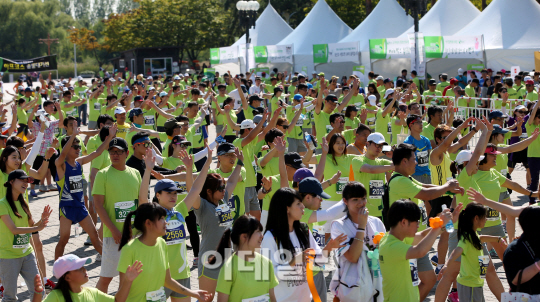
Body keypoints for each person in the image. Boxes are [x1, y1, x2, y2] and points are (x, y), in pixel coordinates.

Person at [388, 143, 463, 302]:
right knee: (408, 285)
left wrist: (448, 189)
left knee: (429, 280)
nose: (416, 162)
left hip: (415, 239)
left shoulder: (406, 178)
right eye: (414, 159)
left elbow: (424, 185)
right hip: (404, 244)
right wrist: (447, 186)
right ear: (404, 161)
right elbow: (425, 193)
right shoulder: (398, 181)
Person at [117, 202, 210, 302]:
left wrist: (194, 293)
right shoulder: (129, 249)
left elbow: (168, 281)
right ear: (148, 223)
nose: (165, 222)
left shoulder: (162, 243)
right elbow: (119, 299)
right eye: (161, 218)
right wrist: (127, 281)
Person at [91, 138, 150, 293]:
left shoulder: (135, 173)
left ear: (127, 153)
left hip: (134, 236)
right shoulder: (102, 175)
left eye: (119, 151)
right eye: (112, 151)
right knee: (105, 278)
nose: (115, 154)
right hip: (114, 236)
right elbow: (98, 205)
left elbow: (141, 203)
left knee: (127, 279)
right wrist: (114, 230)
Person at [53, 125, 117, 260]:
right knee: (64, 239)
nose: (79, 149)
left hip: (80, 207)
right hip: (67, 208)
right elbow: (62, 154)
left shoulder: (79, 163)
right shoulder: (61, 164)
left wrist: (110, 136)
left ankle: (108, 262)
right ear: (67, 148)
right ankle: (57, 269)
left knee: (94, 235)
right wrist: (72, 136)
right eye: (75, 147)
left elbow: (97, 152)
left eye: (79, 146)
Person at [378, 199, 456, 302]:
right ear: (404, 222)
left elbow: (422, 235)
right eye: (416, 222)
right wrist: (438, 225)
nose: (418, 225)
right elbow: (420, 251)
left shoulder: (394, 238)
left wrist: (444, 224)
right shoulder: (391, 246)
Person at [261, 187, 325, 302]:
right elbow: (269, 277)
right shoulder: (270, 237)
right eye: (298, 204)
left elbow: (319, 261)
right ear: (287, 209)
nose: (303, 207)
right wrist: (293, 262)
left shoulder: (304, 230)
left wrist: (329, 248)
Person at [0, 170, 52, 301]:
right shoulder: (2, 204)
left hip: (27, 254)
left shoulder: (24, 203)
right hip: (8, 256)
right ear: (11, 182)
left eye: (27, 181)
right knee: (10, 297)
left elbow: (30, 226)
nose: (25, 183)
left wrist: (42, 220)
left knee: (39, 291)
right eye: (22, 180)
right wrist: (37, 227)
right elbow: (14, 229)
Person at [329, 182, 386, 301]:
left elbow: (384, 253)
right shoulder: (339, 226)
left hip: (378, 283)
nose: (361, 203)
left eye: (363, 198)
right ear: (345, 201)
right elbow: (352, 257)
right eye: (355, 200)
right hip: (353, 287)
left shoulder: (376, 222)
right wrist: (361, 226)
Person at [438, 202, 503, 302]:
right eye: (484, 217)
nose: (486, 219)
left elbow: (480, 238)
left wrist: (497, 239)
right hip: (469, 285)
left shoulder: (473, 233)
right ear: (476, 218)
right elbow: (457, 251)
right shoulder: (466, 238)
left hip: (475, 283)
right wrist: (447, 264)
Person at [214, 215, 279, 302]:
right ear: (244, 237)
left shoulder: (267, 263)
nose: (262, 236)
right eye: (258, 231)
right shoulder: (229, 268)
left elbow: (272, 298)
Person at [31, 254, 142, 302]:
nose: (84, 270)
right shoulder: (56, 296)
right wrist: (37, 292)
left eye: (83, 267)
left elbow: (117, 301)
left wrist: (128, 281)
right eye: (78, 268)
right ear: (67, 277)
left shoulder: (93, 293)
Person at [350, 132, 394, 219]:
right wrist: (391, 166)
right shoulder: (357, 160)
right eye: (377, 145)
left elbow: (398, 166)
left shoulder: (382, 162)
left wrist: (394, 155)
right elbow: (371, 169)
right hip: (361, 211)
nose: (379, 148)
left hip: (379, 211)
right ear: (367, 144)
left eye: (381, 146)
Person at [526, 97, 540, 204]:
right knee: (534, 179)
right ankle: (532, 200)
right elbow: (531, 115)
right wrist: (538, 102)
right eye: (539, 117)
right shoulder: (530, 126)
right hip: (533, 156)